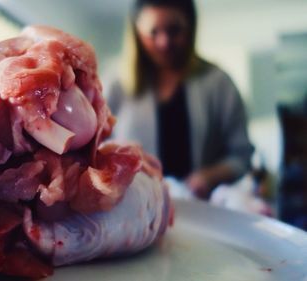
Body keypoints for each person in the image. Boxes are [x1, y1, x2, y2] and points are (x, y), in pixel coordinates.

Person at [106, 0, 254, 199]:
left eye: (174, 30)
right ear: (136, 33)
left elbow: (241, 155)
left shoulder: (218, 83)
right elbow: (98, 151)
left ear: (191, 27)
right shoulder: (117, 85)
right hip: (134, 208)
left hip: (202, 210)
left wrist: (209, 176)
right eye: (153, 32)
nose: (164, 42)